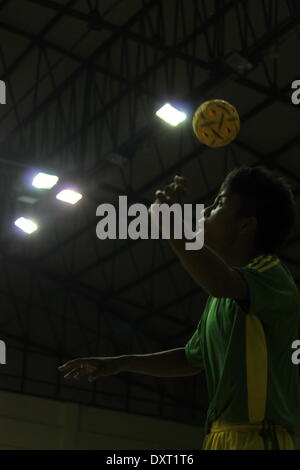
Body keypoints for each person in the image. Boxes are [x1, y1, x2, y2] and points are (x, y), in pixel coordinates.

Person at [58, 165, 300, 450]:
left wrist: (171, 225)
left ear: (246, 225)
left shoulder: (271, 276)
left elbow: (219, 282)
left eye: (220, 203)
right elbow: (191, 359)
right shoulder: (221, 297)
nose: (207, 210)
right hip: (218, 436)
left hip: (260, 437)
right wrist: (120, 362)